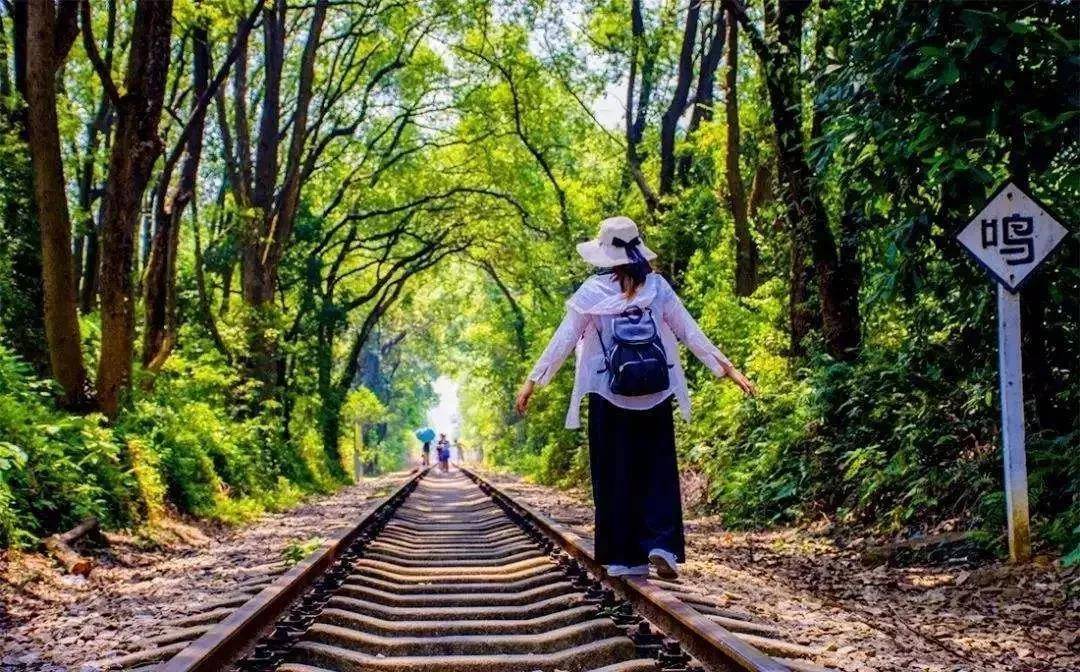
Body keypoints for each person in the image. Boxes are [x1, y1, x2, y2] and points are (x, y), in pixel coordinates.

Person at [514, 216, 756, 580]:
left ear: (605, 254)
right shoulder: (657, 287)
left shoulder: (592, 293)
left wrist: (534, 380)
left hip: (608, 395)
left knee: (615, 473)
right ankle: (661, 545)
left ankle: (626, 556)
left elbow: (563, 341)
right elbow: (690, 331)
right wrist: (728, 369)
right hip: (656, 393)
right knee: (656, 471)